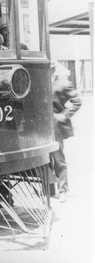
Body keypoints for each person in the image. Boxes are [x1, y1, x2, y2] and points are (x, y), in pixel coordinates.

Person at [50, 61, 82, 203]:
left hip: (56, 125)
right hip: (41, 126)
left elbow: (77, 101)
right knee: (45, 158)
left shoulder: (63, 84)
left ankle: (63, 190)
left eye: (50, 68)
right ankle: (49, 190)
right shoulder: (39, 83)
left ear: (53, 69)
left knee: (58, 159)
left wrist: (64, 115)